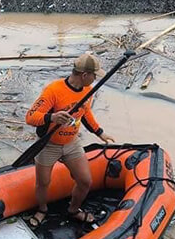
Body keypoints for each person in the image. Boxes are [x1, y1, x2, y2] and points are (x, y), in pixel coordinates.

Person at [25, 52, 116, 227]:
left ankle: (73, 210)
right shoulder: (54, 90)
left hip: (71, 143)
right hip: (48, 144)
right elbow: (30, 117)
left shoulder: (88, 90)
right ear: (85, 75)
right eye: (94, 75)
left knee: (85, 180)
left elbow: (86, 113)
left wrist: (100, 132)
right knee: (43, 182)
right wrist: (51, 117)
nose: (95, 79)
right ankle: (42, 209)